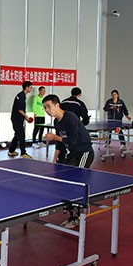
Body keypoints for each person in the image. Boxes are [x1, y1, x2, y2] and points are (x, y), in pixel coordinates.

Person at [42, 94, 94, 228]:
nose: (47, 110)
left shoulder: (71, 118)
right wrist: (54, 159)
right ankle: (72, 214)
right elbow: (60, 143)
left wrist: (54, 137)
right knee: (64, 181)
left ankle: (80, 213)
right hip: (73, 154)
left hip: (84, 152)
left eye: (48, 107)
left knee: (76, 182)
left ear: (57, 105)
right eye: (45, 108)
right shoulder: (57, 122)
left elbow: (72, 141)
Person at [8, 81, 33, 159]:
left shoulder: (22, 95)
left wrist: (25, 117)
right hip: (16, 119)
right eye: (30, 87)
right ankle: (23, 153)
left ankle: (11, 151)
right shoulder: (21, 96)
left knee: (17, 135)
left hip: (18, 118)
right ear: (26, 87)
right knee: (21, 135)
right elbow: (20, 110)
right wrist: (27, 117)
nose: (31, 89)